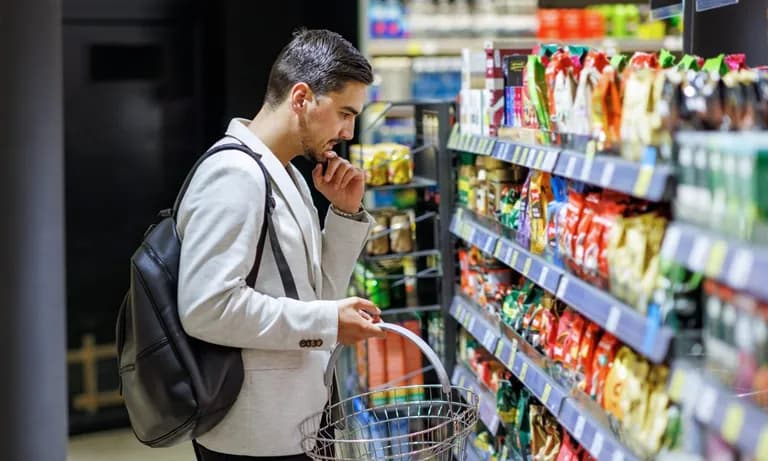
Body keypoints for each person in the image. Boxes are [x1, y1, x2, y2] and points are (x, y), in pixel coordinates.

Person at [176, 28, 386, 460]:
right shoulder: (234, 174)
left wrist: (344, 214)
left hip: (294, 423)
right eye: (345, 113)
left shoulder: (285, 172)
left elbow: (316, 296)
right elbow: (206, 308)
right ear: (302, 97)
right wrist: (328, 324)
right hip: (251, 435)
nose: (348, 131)